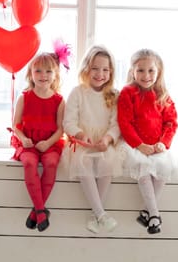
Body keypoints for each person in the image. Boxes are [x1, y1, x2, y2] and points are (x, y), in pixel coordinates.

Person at [117, 48, 178, 235]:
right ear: (133, 71)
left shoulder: (162, 93)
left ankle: (147, 211)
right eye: (140, 70)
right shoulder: (128, 93)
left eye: (151, 70)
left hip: (157, 145)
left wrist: (163, 143)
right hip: (135, 145)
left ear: (158, 71)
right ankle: (154, 215)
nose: (146, 75)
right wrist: (139, 145)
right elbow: (124, 122)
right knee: (144, 172)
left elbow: (171, 122)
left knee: (163, 171)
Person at [62, 46, 123, 233]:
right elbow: (68, 122)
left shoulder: (114, 94)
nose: (100, 74)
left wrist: (107, 139)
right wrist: (81, 134)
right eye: (95, 68)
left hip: (104, 141)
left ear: (111, 72)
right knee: (84, 160)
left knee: (109, 161)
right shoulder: (78, 92)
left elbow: (116, 124)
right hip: (82, 142)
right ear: (86, 68)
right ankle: (101, 214)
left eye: (105, 69)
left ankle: (97, 215)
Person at [10, 52, 65, 232]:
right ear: (30, 74)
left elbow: (60, 130)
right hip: (28, 143)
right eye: (38, 71)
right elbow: (15, 125)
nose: (43, 76)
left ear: (55, 74)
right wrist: (24, 139)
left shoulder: (59, 100)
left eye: (48, 71)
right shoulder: (24, 97)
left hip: (50, 143)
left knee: (50, 163)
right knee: (29, 163)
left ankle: (36, 212)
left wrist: (48, 143)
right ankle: (41, 211)